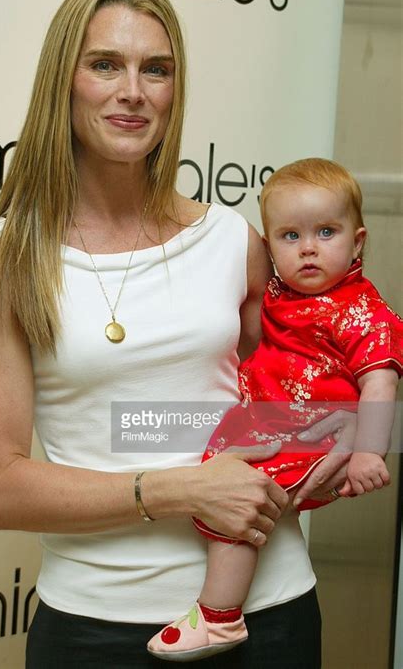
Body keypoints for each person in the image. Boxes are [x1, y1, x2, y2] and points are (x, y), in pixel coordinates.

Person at [0, 0, 358, 669]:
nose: (133, 90)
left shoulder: (235, 240)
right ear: (65, 81)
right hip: (99, 629)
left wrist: (338, 447)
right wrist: (184, 487)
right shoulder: (3, 259)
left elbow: (305, 401)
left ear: (176, 89)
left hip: (273, 614)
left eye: (157, 69)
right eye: (105, 64)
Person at [147, 158, 402, 662]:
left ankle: (219, 616)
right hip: (269, 422)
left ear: (358, 242)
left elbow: (380, 383)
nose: (308, 248)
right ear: (268, 246)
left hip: (310, 433)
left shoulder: (362, 312)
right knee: (226, 495)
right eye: (290, 236)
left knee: (237, 510)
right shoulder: (282, 292)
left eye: (326, 232)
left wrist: (369, 452)